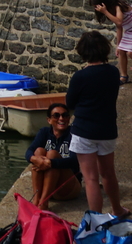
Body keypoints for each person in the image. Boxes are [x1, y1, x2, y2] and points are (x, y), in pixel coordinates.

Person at [66, 29, 128, 217]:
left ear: (83, 52)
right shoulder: (113, 72)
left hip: (84, 130)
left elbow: (70, 103)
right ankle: (117, 209)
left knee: (91, 178)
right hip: (107, 129)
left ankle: (97, 220)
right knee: (108, 174)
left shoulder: (80, 76)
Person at [27, 104, 82, 208]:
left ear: (69, 118)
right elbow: (29, 151)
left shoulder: (73, 134)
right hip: (47, 187)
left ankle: (43, 202)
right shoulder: (44, 132)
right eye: (56, 115)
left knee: (52, 154)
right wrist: (34, 159)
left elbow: (75, 161)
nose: (61, 118)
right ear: (49, 120)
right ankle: (37, 199)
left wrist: (51, 162)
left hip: (67, 188)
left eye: (65, 115)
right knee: (38, 151)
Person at [90, 0, 132, 83]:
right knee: (121, 50)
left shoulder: (118, 6)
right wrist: (118, 45)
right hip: (130, 31)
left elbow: (119, 21)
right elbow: (119, 27)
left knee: (130, 53)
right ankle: (124, 76)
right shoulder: (112, 9)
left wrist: (105, 12)